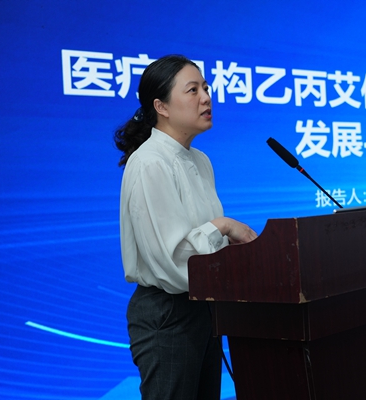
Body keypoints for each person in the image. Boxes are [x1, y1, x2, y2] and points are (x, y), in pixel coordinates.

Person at [114, 54, 257, 400]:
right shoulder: (149, 163)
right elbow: (174, 259)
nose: (206, 98)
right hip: (167, 313)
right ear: (161, 106)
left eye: (206, 88)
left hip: (204, 309)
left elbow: (204, 249)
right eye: (193, 90)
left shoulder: (200, 160)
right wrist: (223, 226)